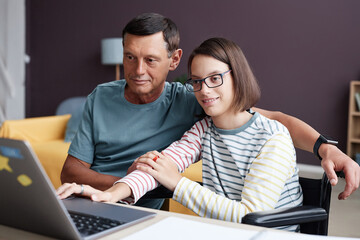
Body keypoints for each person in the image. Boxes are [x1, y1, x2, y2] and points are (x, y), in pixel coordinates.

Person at [59, 13, 359, 210]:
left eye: (150, 60)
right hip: (115, 195)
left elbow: (274, 119)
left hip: (153, 201)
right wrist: (117, 191)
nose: (138, 71)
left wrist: (324, 147)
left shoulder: (196, 102)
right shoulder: (203, 125)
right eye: (130, 57)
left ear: (173, 60)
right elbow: (73, 171)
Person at [58, 37, 303, 231]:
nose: (204, 90)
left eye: (215, 78)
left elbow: (249, 215)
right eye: (197, 81)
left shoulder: (273, 139)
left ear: (237, 77)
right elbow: (158, 168)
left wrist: (176, 181)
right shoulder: (204, 129)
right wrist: (109, 195)